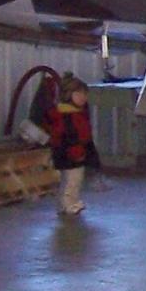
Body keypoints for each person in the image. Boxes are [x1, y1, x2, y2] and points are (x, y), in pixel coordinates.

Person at [47, 73, 97, 216]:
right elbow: (65, 136)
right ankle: (68, 203)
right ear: (69, 95)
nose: (83, 97)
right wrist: (74, 150)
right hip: (70, 154)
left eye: (84, 94)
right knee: (72, 180)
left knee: (72, 179)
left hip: (74, 152)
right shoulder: (66, 115)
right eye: (79, 94)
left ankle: (67, 203)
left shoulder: (75, 113)